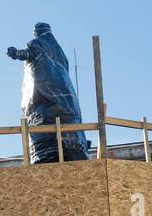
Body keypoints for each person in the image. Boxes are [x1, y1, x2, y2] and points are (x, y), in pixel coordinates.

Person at [7, 23, 90, 163]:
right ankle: (72, 148)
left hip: (45, 98)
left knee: (45, 138)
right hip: (67, 102)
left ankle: (51, 151)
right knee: (70, 133)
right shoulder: (60, 53)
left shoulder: (38, 44)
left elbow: (30, 54)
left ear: (38, 33)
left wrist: (17, 53)